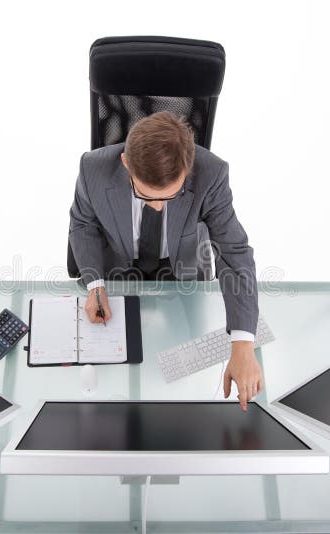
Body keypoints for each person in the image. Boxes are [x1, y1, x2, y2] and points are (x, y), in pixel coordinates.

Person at [69, 111, 261, 411]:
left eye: (169, 197)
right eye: (145, 196)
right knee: (108, 381)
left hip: (182, 272)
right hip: (117, 272)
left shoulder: (212, 173)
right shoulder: (93, 168)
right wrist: (95, 284)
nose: (157, 208)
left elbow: (234, 253)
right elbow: (83, 224)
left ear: (188, 170)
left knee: (187, 382)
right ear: (126, 164)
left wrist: (244, 343)